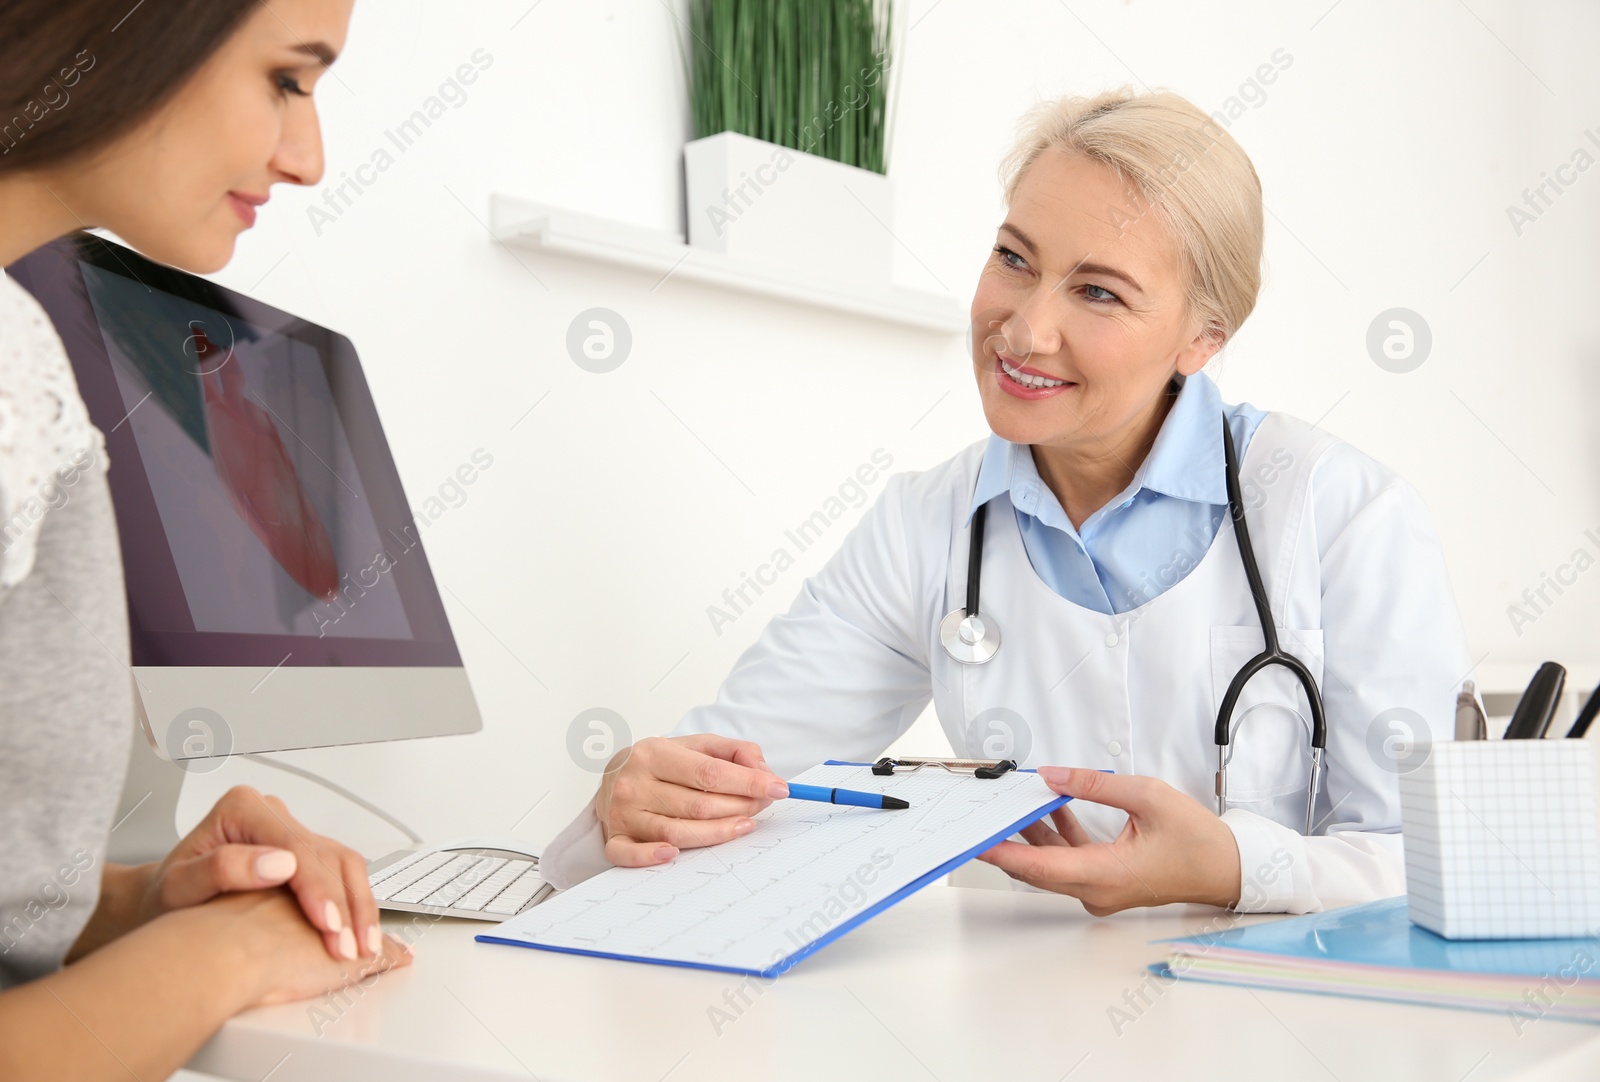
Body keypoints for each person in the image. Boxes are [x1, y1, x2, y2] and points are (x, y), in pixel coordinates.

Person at [541, 88, 1470, 917]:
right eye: (1014, 258)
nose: (1025, 329)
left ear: (1202, 337)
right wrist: (638, 798)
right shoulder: (924, 528)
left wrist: (1233, 868)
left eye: (1099, 292)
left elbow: (1435, 864)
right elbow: (735, 782)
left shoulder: (1343, 514)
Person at [0, 2, 411, 1077]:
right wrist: (219, 957)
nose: (310, 158)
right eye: (287, 77)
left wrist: (142, 897)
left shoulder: (23, 351)